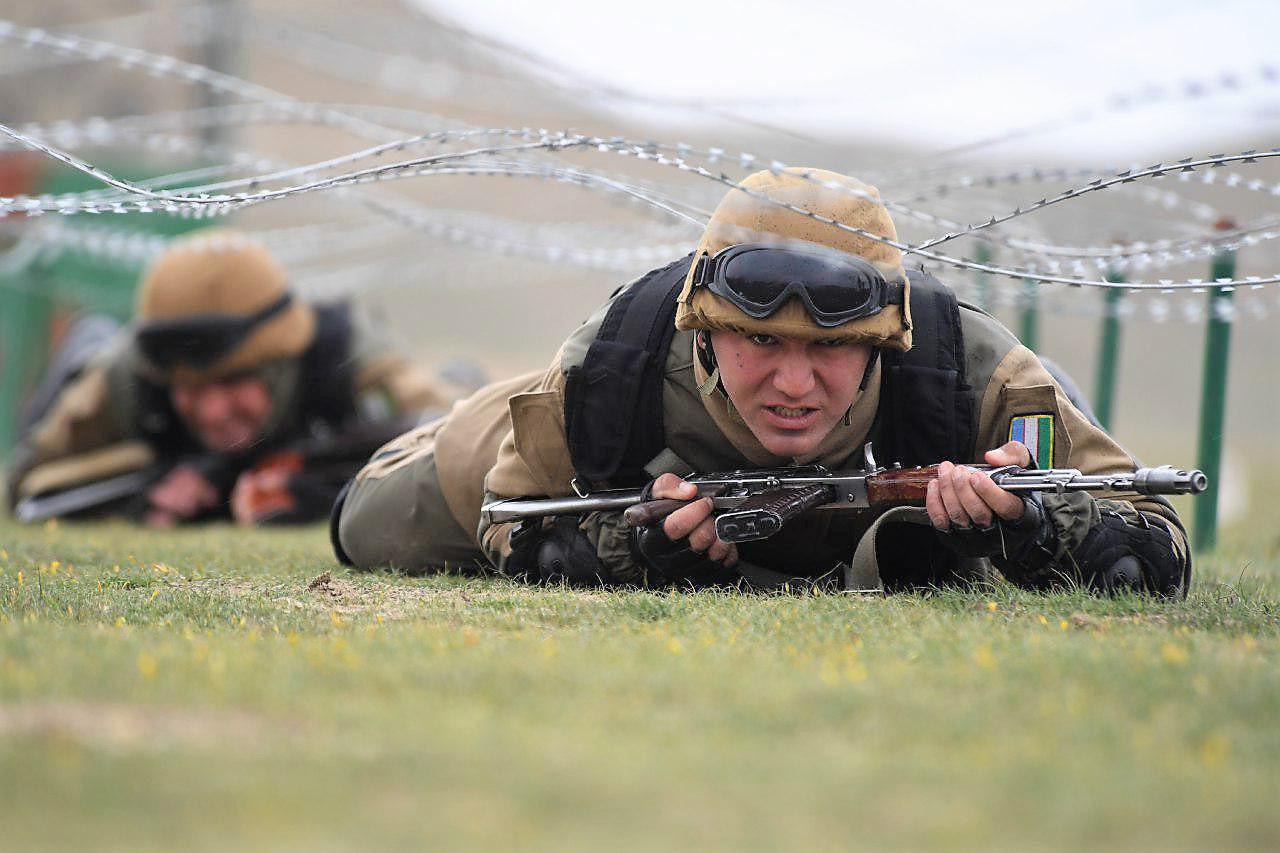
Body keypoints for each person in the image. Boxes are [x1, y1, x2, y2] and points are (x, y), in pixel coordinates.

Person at [333, 168, 1190, 595]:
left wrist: (1037, 521)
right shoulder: (610, 367)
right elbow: (516, 527)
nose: (793, 381)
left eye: (832, 349)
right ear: (703, 330)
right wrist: (645, 548)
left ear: (887, 341)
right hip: (514, 447)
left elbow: (1153, 554)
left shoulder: (972, 371)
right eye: (755, 340)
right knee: (361, 528)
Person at [7, 230, 475, 527]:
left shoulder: (345, 350)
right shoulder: (126, 377)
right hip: (112, 385)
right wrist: (146, 483)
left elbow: (456, 424)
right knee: (88, 344)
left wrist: (320, 482)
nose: (212, 412)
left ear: (280, 365)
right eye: (188, 389)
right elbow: (25, 484)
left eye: (234, 383)